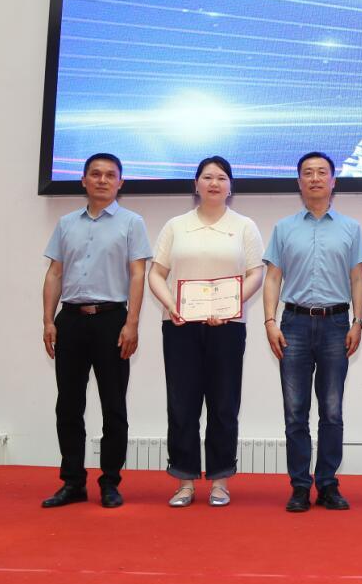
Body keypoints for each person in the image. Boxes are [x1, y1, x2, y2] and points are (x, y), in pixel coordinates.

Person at [147, 156, 264, 507]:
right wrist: (172, 304)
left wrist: (230, 306)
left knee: (224, 403)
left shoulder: (244, 226)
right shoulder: (176, 226)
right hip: (180, 326)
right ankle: (184, 481)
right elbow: (156, 273)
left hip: (227, 328)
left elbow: (255, 274)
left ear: (231, 186)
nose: (214, 183)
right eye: (208, 177)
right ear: (195, 184)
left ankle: (220, 481)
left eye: (222, 178)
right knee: (182, 404)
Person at [40, 153, 151, 509]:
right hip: (70, 320)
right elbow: (55, 273)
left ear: (120, 182)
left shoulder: (132, 223)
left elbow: (138, 274)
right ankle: (72, 481)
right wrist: (48, 320)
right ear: (83, 180)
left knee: (113, 406)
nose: (102, 180)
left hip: (111, 321)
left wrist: (132, 323)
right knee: (68, 406)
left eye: (110, 175)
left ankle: (110, 482)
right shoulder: (66, 223)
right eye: (96, 174)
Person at [262, 152, 362, 513]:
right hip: (293, 324)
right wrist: (270, 322)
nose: (315, 178)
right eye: (308, 173)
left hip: (337, 324)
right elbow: (273, 278)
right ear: (299, 182)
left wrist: (358, 322)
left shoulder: (350, 228)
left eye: (322, 172)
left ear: (333, 181)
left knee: (332, 410)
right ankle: (299, 485)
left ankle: (327, 484)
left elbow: (358, 278)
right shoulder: (283, 228)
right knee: (295, 411)